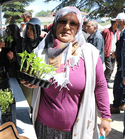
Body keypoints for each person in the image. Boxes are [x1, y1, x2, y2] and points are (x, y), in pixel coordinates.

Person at [20, 7, 111, 139]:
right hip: (44, 128)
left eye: (73, 23)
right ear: (56, 24)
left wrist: (106, 117)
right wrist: (29, 82)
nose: (67, 26)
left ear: (79, 27)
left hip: (77, 130)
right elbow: (32, 82)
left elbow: (100, 85)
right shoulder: (41, 52)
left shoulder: (89, 53)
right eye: (62, 21)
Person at [7, 18, 43, 107]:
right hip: (24, 79)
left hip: (39, 80)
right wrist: (12, 59)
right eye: (28, 28)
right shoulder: (21, 43)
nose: (29, 31)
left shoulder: (43, 43)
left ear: (37, 30)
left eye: (32, 28)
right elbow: (16, 62)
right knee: (25, 103)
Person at [111, 13, 125, 114]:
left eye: (117, 22)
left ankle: (117, 105)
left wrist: (116, 53)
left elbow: (123, 50)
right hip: (121, 65)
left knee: (118, 85)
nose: (115, 24)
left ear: (122, 22)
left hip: (122, 66)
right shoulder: (121, 32)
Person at [101, 19, 119, 89]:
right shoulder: (106, 31)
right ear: (114, 24)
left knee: (112, 69)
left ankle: (106, 82)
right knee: (109, 68)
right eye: (117, 24)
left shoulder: (117, 32)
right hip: (107, 53)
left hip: (114, 53)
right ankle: (102, 81)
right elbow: (102, 41)